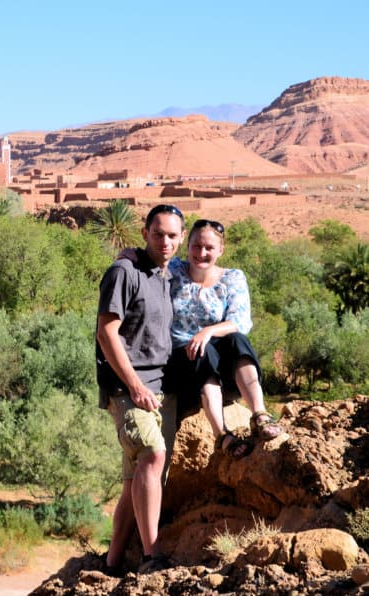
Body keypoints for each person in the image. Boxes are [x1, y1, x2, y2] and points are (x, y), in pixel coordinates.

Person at [96, 204, 185, 574]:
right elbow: (107, 332)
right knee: (152, 454)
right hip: (129, 387)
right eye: (158, 233)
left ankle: (113, 562)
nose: (164, 241)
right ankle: (152, 556)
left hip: (161, 385)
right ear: (145, 232)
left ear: (180, 238)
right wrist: (133, 385)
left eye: (172, 235)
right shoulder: (124, 271)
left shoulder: (166, 275)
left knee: (136, 477)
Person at [166, 219, 282, 457]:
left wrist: (207, 332)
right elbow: (148, 257)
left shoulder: (232, 278)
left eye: (209, 248)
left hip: (223, 367)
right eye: (196, 246)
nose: (201, 253)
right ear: (187, 245)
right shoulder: (172, 271)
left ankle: (259, 414)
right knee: (202, 351)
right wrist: (128, 256)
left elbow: (240, 321)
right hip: (183, 363)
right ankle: (222, 435)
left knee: (237, 339)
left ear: (221, 250)